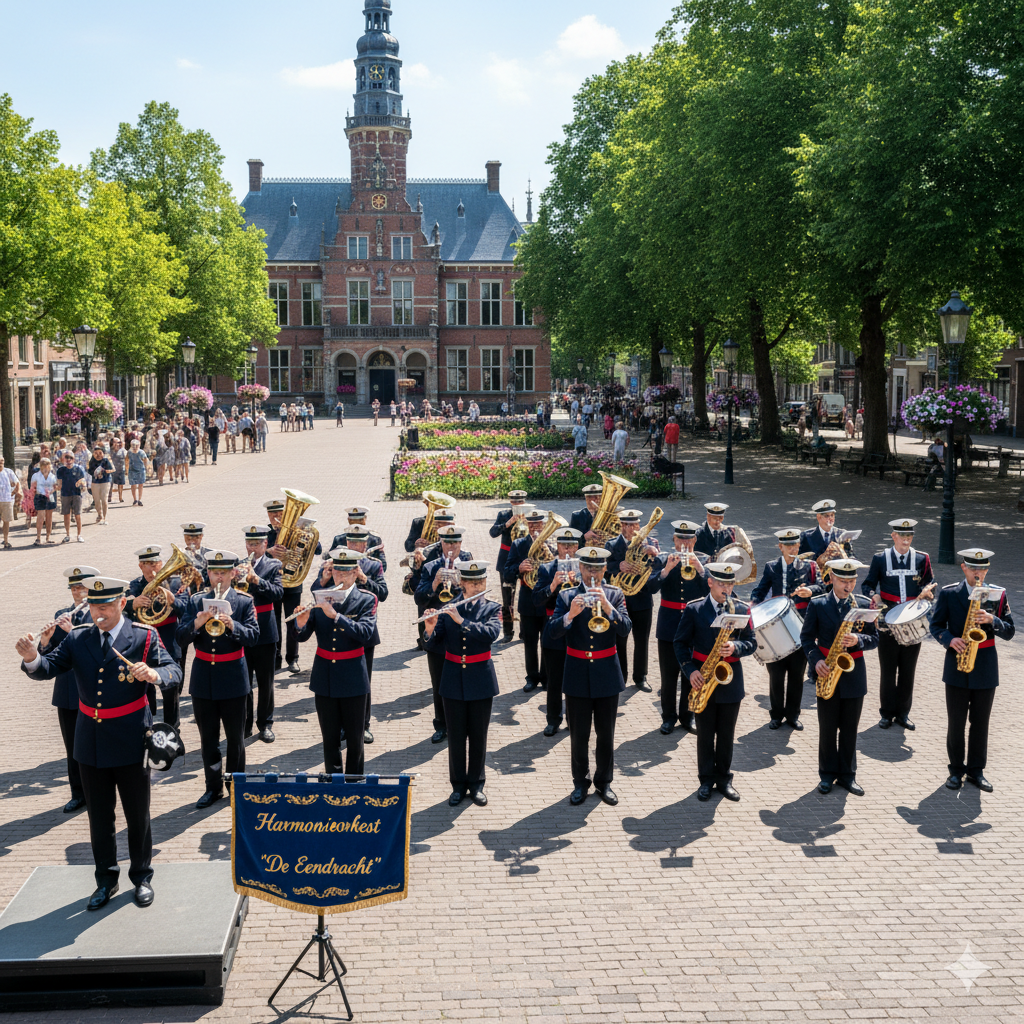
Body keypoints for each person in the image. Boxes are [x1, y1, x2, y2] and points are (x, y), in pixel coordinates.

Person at [18, 576, 182, 911]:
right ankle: (105, 880)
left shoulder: (144, 636)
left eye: (105, 606)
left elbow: (173, 670)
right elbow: (48, 668)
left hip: (132, 738)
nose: (98, 613)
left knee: (138, 815)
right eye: (94, 606)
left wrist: (154, 675)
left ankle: (142, 876)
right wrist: (34, 656)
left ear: (122, 603)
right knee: (100, 818)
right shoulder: (79, 638)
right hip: (90, 740)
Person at [176, 549, 260, 809]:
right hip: (203, 680)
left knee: (235, 739)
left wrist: (234, 625)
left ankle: (235, 786)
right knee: (208, 739)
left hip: (234, 678)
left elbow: (254, 637)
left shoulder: (244, 602)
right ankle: (212, 788)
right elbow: (180, 638)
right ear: (208, 574)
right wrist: (196, 624)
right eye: (215, 572)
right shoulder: (196, 601)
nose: (219, 577)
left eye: (224, 572)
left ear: (234, 574)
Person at [548, 546, 631, 806]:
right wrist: (570, 615)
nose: (592, 572)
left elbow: (626, 629)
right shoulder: (567, 596)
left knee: (606, 734)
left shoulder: (615, 594)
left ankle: (604, 782)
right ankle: (580, 783)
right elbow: (551, 633)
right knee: (579, 734)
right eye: (587, 567)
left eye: (597, 568)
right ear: (579, 569)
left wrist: (608, 608)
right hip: (577, 673)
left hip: (606, 672)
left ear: (605, 569)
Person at [929, 548, 1015, 792]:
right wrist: (949, 639)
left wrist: (992, 621)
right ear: (963, 568)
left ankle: (976, 771)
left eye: (983, 569)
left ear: (987, 570)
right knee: (956, 722)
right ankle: (956, 770)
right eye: (973, 568)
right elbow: (936, 626)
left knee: (981, 722)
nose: (978, 573)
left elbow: (1009, 631)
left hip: (986, 665)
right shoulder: (949, 593)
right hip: (957, 664)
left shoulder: (998, 595)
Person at [674, 562, 757, 802]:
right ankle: (706, 780)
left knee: (726, 734)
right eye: (721, 583)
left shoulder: (741, 609)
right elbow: (680, 644)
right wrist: (690, 671)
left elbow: (751, 642)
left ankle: (724, 778)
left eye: (730, 583)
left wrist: (736, 646)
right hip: (703, 678)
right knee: (705, 733)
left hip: (730, 678)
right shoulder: (694, 609)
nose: (726, 588)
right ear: (710, 582)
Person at [294, 548, 378, 777]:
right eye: (336, 571)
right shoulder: (319, 598)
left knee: (355, 737)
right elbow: (302, 636)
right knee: (329, 737)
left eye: (345, 572)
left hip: (353, 676)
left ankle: (354, 780)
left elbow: (366, 633)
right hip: (325, 677)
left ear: (354, 573)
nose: (339, 576)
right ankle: (333, 779)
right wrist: (300, 623)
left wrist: (336, 617)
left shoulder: (366, 599)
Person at [424, 560, 500, 806]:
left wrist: (462, 622)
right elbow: (434, 644)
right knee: (456, 737)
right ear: (462, 584)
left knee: (478, 736)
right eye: (472, 583)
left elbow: (491, 634)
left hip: (480, 678)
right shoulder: (448, 607)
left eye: (481, 582)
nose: (477, 586)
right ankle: (457, 786)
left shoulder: (492, 608)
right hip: (453, 678)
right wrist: (430, 629)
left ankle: (476, 784)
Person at [801, 558, 879, 796]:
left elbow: (875, 639)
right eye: (843, 580)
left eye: (852, 580)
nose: (848, 585)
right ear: (832, 578)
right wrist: (817, 661)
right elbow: (806, 639)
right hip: (826, 671)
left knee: (849, 729)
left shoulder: (863, 605)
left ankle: (848, 775)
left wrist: (859, 640)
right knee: (827, 728)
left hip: (853, 673)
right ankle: (826, 775)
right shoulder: (817, 604)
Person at [862, 519, 936, 730]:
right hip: (887, 621)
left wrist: (928, 593)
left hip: (912, 620)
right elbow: (867, 584)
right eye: (902, 536)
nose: (906, 540)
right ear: (893, 536)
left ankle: (903, 713)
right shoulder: (880, 558)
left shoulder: (922, 558)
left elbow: (930, 584)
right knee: (888, 670)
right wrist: (873, 595)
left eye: (909, 536)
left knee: (907, 670)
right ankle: (886, 713)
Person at [750, 528, 824, 730]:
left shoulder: (809, 566)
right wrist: (753, 602)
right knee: (776, 675)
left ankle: (793, 715)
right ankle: (776, 715)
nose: (793, 548)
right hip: (776, 629)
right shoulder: (772, 567)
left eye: (796, 545)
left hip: (801, 627)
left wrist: (810, 590)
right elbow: (761, 589)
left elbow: (822, 587)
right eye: (788, 545)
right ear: (780, 546)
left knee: (796, 676)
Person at [40, 565, 99, 813]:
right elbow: (51, 656)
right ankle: (78, 793)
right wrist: (45, 640)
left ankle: (98, 792)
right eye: (74, 588)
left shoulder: (99, 615)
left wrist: (71, 631)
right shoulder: (62, 613)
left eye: (82, 588)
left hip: (93, 692)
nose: (78, 593)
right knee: (72, 747)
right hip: (67, 691)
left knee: (96, 744)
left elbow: (97, 647)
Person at [324, 524, 388, 743]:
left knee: (363, 680)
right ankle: (342, 725)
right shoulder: (334, 564)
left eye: (358, 542)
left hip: (363, 629)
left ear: (365, 544)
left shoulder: (373, 565)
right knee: (339, 679)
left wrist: (363, 578)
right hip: (335, 629)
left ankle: (363, 725)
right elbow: (319, 589)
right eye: (350, 541)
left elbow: (383, 593)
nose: (354, 545)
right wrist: (324, 577)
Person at [415, 524, 475, 741]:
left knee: (466, 678)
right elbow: (419, 599)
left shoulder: (469, 563)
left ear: (461, 543)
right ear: (441, 543)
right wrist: (435, 582)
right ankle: (441, 725)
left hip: (461, 628)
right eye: (448, 542)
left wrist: (462, 585)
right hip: (438, 629)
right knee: (439, 680)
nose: (452, 546)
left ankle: (464, 724)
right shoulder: (431, 566)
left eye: (456, 542)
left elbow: (479, 594)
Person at [125, 546, 190, 727]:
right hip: (143, 642)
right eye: (147, 564)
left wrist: (173, 600)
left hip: (169, 641)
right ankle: (148, 725)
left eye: (155, 563)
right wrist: (132, 604)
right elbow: (120, 610)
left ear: (162, 564)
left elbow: (187, 610)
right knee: (144, 688)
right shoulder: (134, 586)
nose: (152, 569)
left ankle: (172, 729)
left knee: (171, 689)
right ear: (140, 566)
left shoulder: (176, 584)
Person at [654, 521, 709, 735]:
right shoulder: (663, 559)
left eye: (688, 539)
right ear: (674, 540)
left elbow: (712, 592)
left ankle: (688, 716)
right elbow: (651, 587)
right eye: (680, 539)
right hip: (669, 625)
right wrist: (666, 569)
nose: (684, 543)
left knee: (691, 674)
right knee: (668, 676)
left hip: (694, 626)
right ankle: (668, 718)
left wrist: (700, 569)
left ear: (694, 540)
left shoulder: (703, 560)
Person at [533, 527, 583, 736]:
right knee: (554, 680)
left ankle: (573, 720)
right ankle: (553, 719)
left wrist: (578, 582)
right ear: (558, 547)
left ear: (578, 547)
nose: (568, 550)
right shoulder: (546, 569)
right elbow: (536, 600)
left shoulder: (583, 568)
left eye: (572, 546)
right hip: (553, 629)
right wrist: (553, 585)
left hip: (576, 630)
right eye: (564, 546)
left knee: (574, 679)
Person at [607, 509, 661, 692]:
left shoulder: (651, 543)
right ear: (622, 526)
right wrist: (617, 566)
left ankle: (641, 677)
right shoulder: (612, 544)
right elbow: (603, 568)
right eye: (629, 525)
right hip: (620, 600)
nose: (633, 528)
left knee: (642, 640)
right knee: (620, 639)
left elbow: (658, 569)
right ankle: (620, 676)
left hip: (642, 598)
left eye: (636, 524)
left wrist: (655, 554)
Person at [239, 526, 284, 743]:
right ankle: (245, 723)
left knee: (266, 683)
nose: (252, 548)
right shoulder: (238, 565)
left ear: (265, 545)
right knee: (244, 682)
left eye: (256, 544)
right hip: (244, 631)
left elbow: (278, 593)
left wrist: (257, 580)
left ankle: (265, 723)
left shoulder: (273, 565)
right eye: (249, 544)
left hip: (266, 630)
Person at [503, 509, 551, 694]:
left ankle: (546, 677)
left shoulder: (552, 545)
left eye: (538, 524)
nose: (535, 528)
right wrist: (519, 568)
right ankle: (531, 678)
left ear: (544, 525)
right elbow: (507, 572)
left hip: (547, 600)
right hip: (528, 600)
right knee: (530, 642)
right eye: (531, 524)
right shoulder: (519, 544)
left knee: (547, 641)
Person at [489, 490, 531, 643]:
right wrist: (508, 523)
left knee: (526, 596)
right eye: (515, 502)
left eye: (520, 502)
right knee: (508, 598)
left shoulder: (531, 513)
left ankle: (525, 631)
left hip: (526, 560)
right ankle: (508, 631)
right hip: (507, 560)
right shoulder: (503, 514)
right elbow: (492, 532)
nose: (518, 504)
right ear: (511, 502)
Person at [56, 450, 87, 543]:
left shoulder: (78, 469)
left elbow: (83, 482)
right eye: (66, 457)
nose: (68, 459)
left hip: (76, 494)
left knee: (77, 514)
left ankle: (79, 535)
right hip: (65, 494)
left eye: (71, 458)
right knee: (66, 515)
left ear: (73, 459)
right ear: (63, 459)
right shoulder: (60, 470)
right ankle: (68, 534)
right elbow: (59, 485)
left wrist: (83, 485)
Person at [30, 456, 58, 545]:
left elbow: (55, 486)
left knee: (49, 517)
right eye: (43, 464)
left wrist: (51, 491)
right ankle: (38, 537)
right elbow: (33, 488)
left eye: (47, 464)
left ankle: (48, 537)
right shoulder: (36, 475)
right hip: (40, 496)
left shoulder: (53, 476)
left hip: (50, 496)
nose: (45, 466)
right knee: (41, 517)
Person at [87, 445, 113, 525]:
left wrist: (104, 471)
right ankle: (99, 514)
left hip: (105, 481)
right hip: (95, 482)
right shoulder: (91, 461)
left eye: (100, 453)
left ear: (103, 453)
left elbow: (111, 469)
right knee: (97, 500)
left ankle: (105, 517)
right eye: (96, 453)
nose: (98, 455)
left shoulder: (105, 461)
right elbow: (89, 471)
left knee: (104, 499)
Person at [0, 455, 21, 549]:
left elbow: (17, 482)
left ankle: (6, 541)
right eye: (0, 461)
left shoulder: (8, 472)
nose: (1, 463)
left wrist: (15, 492)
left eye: (2, 461)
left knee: (6, 521)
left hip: (6, 500)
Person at [109, 437, 127, 503]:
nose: (118, 444)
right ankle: (109, 497)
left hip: (121, 469)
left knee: (121, 484)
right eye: (117, 442)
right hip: (111, 469)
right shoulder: (109, 450)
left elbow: (127, 458)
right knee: (110, 483)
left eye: (119, 442)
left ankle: (120, 497)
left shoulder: (122, 450)